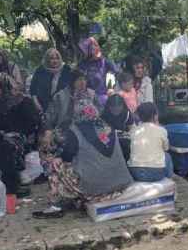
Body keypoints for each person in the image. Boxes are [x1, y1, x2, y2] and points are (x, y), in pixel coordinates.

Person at [33, 84, 133, 219]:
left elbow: (67, 157)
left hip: (95, 188)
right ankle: (76, 199)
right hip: (119, 184)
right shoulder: (107, 125)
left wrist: (56, 158)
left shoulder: (75, 130)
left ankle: (56, 206)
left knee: (54, 164)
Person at [0, 72, 42, 168]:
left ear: (5, 86)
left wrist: (16, 134)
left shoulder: (22, 101)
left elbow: (33, 123)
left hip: (19, 138)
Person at [128, 102, 172, 182]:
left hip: (135, 173)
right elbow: (166, 148)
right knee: (167, 155)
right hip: (156, 173)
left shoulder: (133, 131)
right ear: (155, 116)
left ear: (139, 116)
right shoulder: (161, 130)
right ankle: (169, 178)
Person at [30, 48, 73, 113]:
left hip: (62, 107)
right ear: (47, 60)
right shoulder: (40, 70)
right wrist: (36, 104)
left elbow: (72, 86)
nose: (55, 61)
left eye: (57, 58)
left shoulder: (66, 70)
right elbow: (33, 89)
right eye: (52, 58)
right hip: (43, 106)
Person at [78, 37, 116, 106]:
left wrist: (110, 88)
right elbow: (79, 79)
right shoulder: (82, 64)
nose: (94, 48)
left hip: (102, 97)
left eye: (96, 45)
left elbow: (111, 76)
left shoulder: (106, 62)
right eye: (91, 47)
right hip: (86, 98)